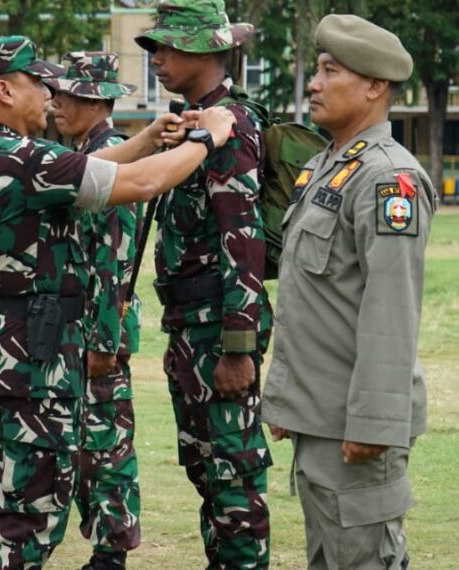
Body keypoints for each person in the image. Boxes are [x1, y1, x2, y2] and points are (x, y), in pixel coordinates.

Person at [0, 35, 239, 570]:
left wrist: (150, 135)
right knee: (30, 515)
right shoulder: (18, 156)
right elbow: (140, 183)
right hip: (33, 359)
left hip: (3, 350)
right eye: (41, 84)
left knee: (21, 494)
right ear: (7, 90)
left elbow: (94, 168)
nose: (50, 96)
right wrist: (207, 139)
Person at [261, 14, 437, 570]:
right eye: (316, 70)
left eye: (329, 70)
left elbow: (391, 312)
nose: (314, 83)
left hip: (354, 430)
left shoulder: (388, 179)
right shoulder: (322, 168)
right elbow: (311, 300)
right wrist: (289, 400)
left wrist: (374, 425)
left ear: (374, 86)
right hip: (321, 420)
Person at [134, 0, 273, 567]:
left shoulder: (230, 125)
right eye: (155, 48)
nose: (158, 59)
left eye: (168, 47)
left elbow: (242, 235)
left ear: (206, 51)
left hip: (219, 328)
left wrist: (238, 348)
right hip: (189, 326)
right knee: (206, 469)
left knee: (234, 476)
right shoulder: (193, 123)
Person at [46, 51, 144, 569]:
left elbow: (116, 261)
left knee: (106, 445)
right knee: (86, 440)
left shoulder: (113, 155)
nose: (56, 103)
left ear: (96, 100)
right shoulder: (82, 152)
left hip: (96, 330)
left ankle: (111, 555)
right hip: (75, 329)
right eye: (56, 94)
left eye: (67, 96)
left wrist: (105, 342)